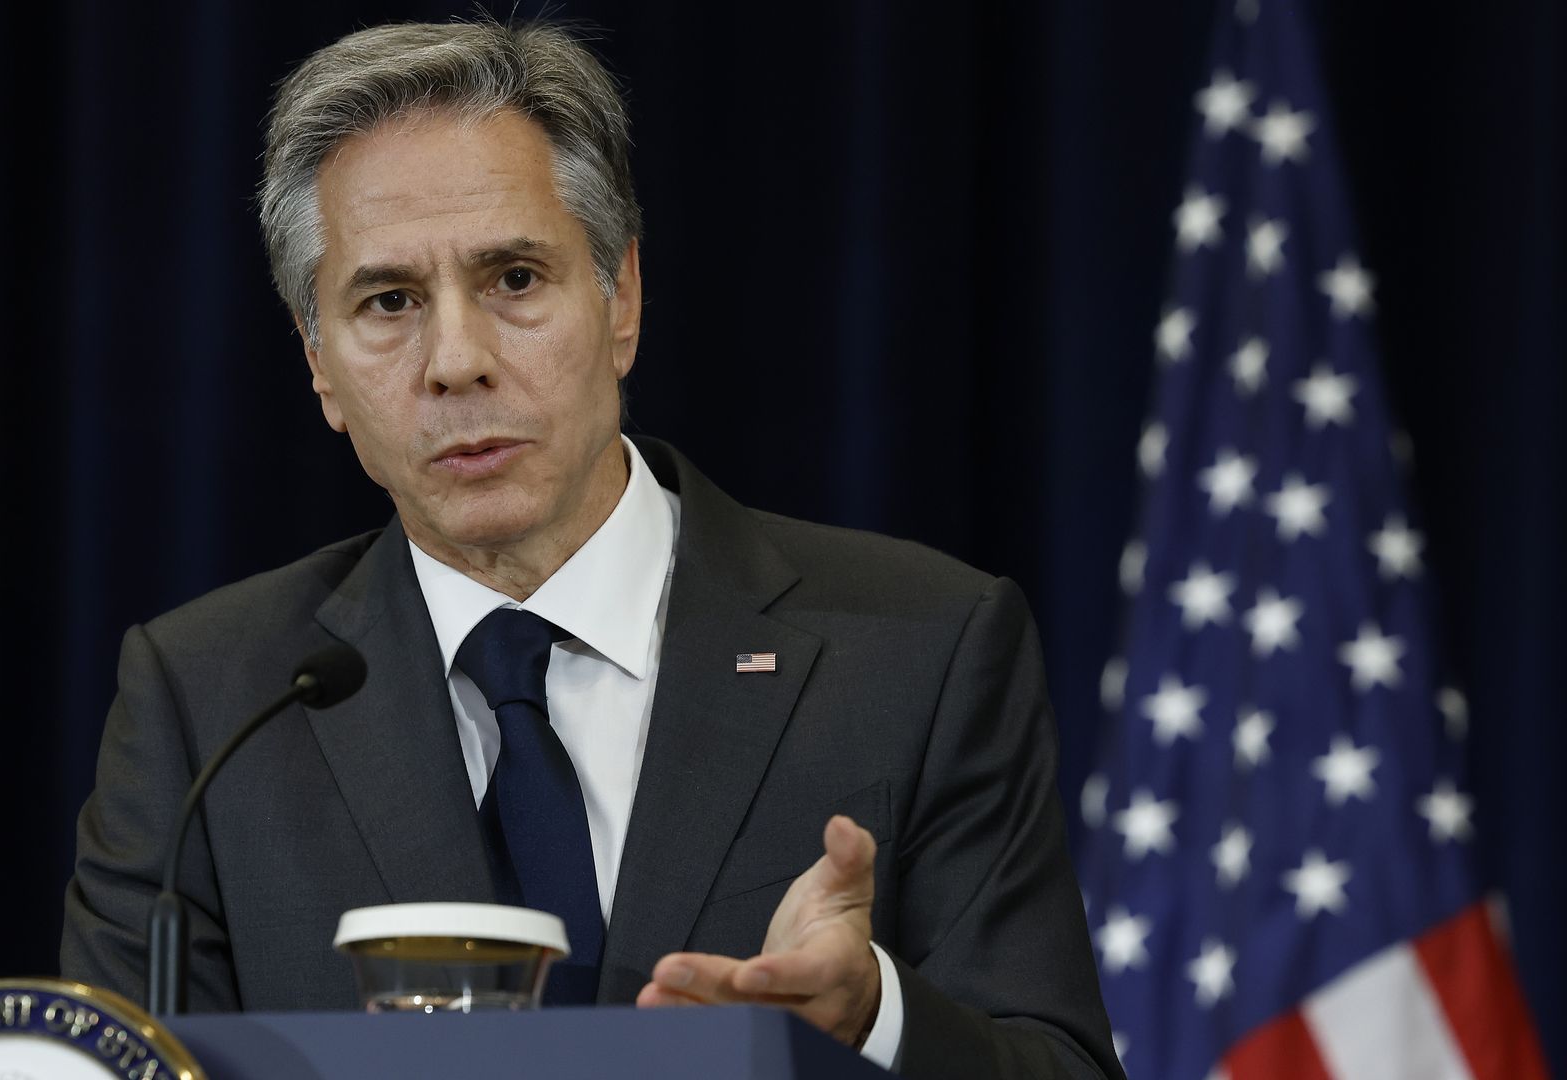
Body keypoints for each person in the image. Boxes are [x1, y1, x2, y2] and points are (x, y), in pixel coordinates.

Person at [60, 18, 1121, 1079]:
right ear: (319, 367)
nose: (456, 361)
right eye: (388, 302)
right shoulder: (211, 704)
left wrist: (875, 1020)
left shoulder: (915, 650)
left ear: (622, 300)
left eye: (514, 279)